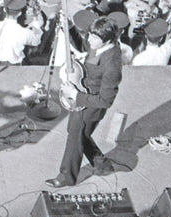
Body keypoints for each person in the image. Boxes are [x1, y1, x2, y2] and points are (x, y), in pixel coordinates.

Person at [48, 16, 123, 188]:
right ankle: (100, 163)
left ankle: (66, 176)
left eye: (94, 38)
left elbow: (105, 101)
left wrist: (75, 94)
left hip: (90, 105)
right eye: (90, 35)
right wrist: (70, 28)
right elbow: (84, 46)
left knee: (75, 138)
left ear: (107, 40)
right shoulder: (99, 45)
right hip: (82, 95)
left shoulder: (112, 65)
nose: (89, 40)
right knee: (79, 133)